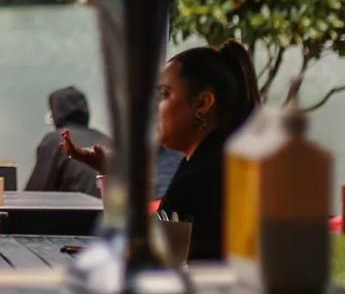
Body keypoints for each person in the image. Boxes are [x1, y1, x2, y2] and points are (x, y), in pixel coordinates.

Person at [62, 41, 258, 261]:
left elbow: (145, 254)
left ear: (203, 103)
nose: (154, 108)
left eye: (164, 95)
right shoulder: (215, 160)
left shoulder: (203, 175)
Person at [24, 86, 111, 195]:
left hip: (77, 210)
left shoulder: (55, 140)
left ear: (56, 113)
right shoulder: (106, 140)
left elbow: (34, 195)